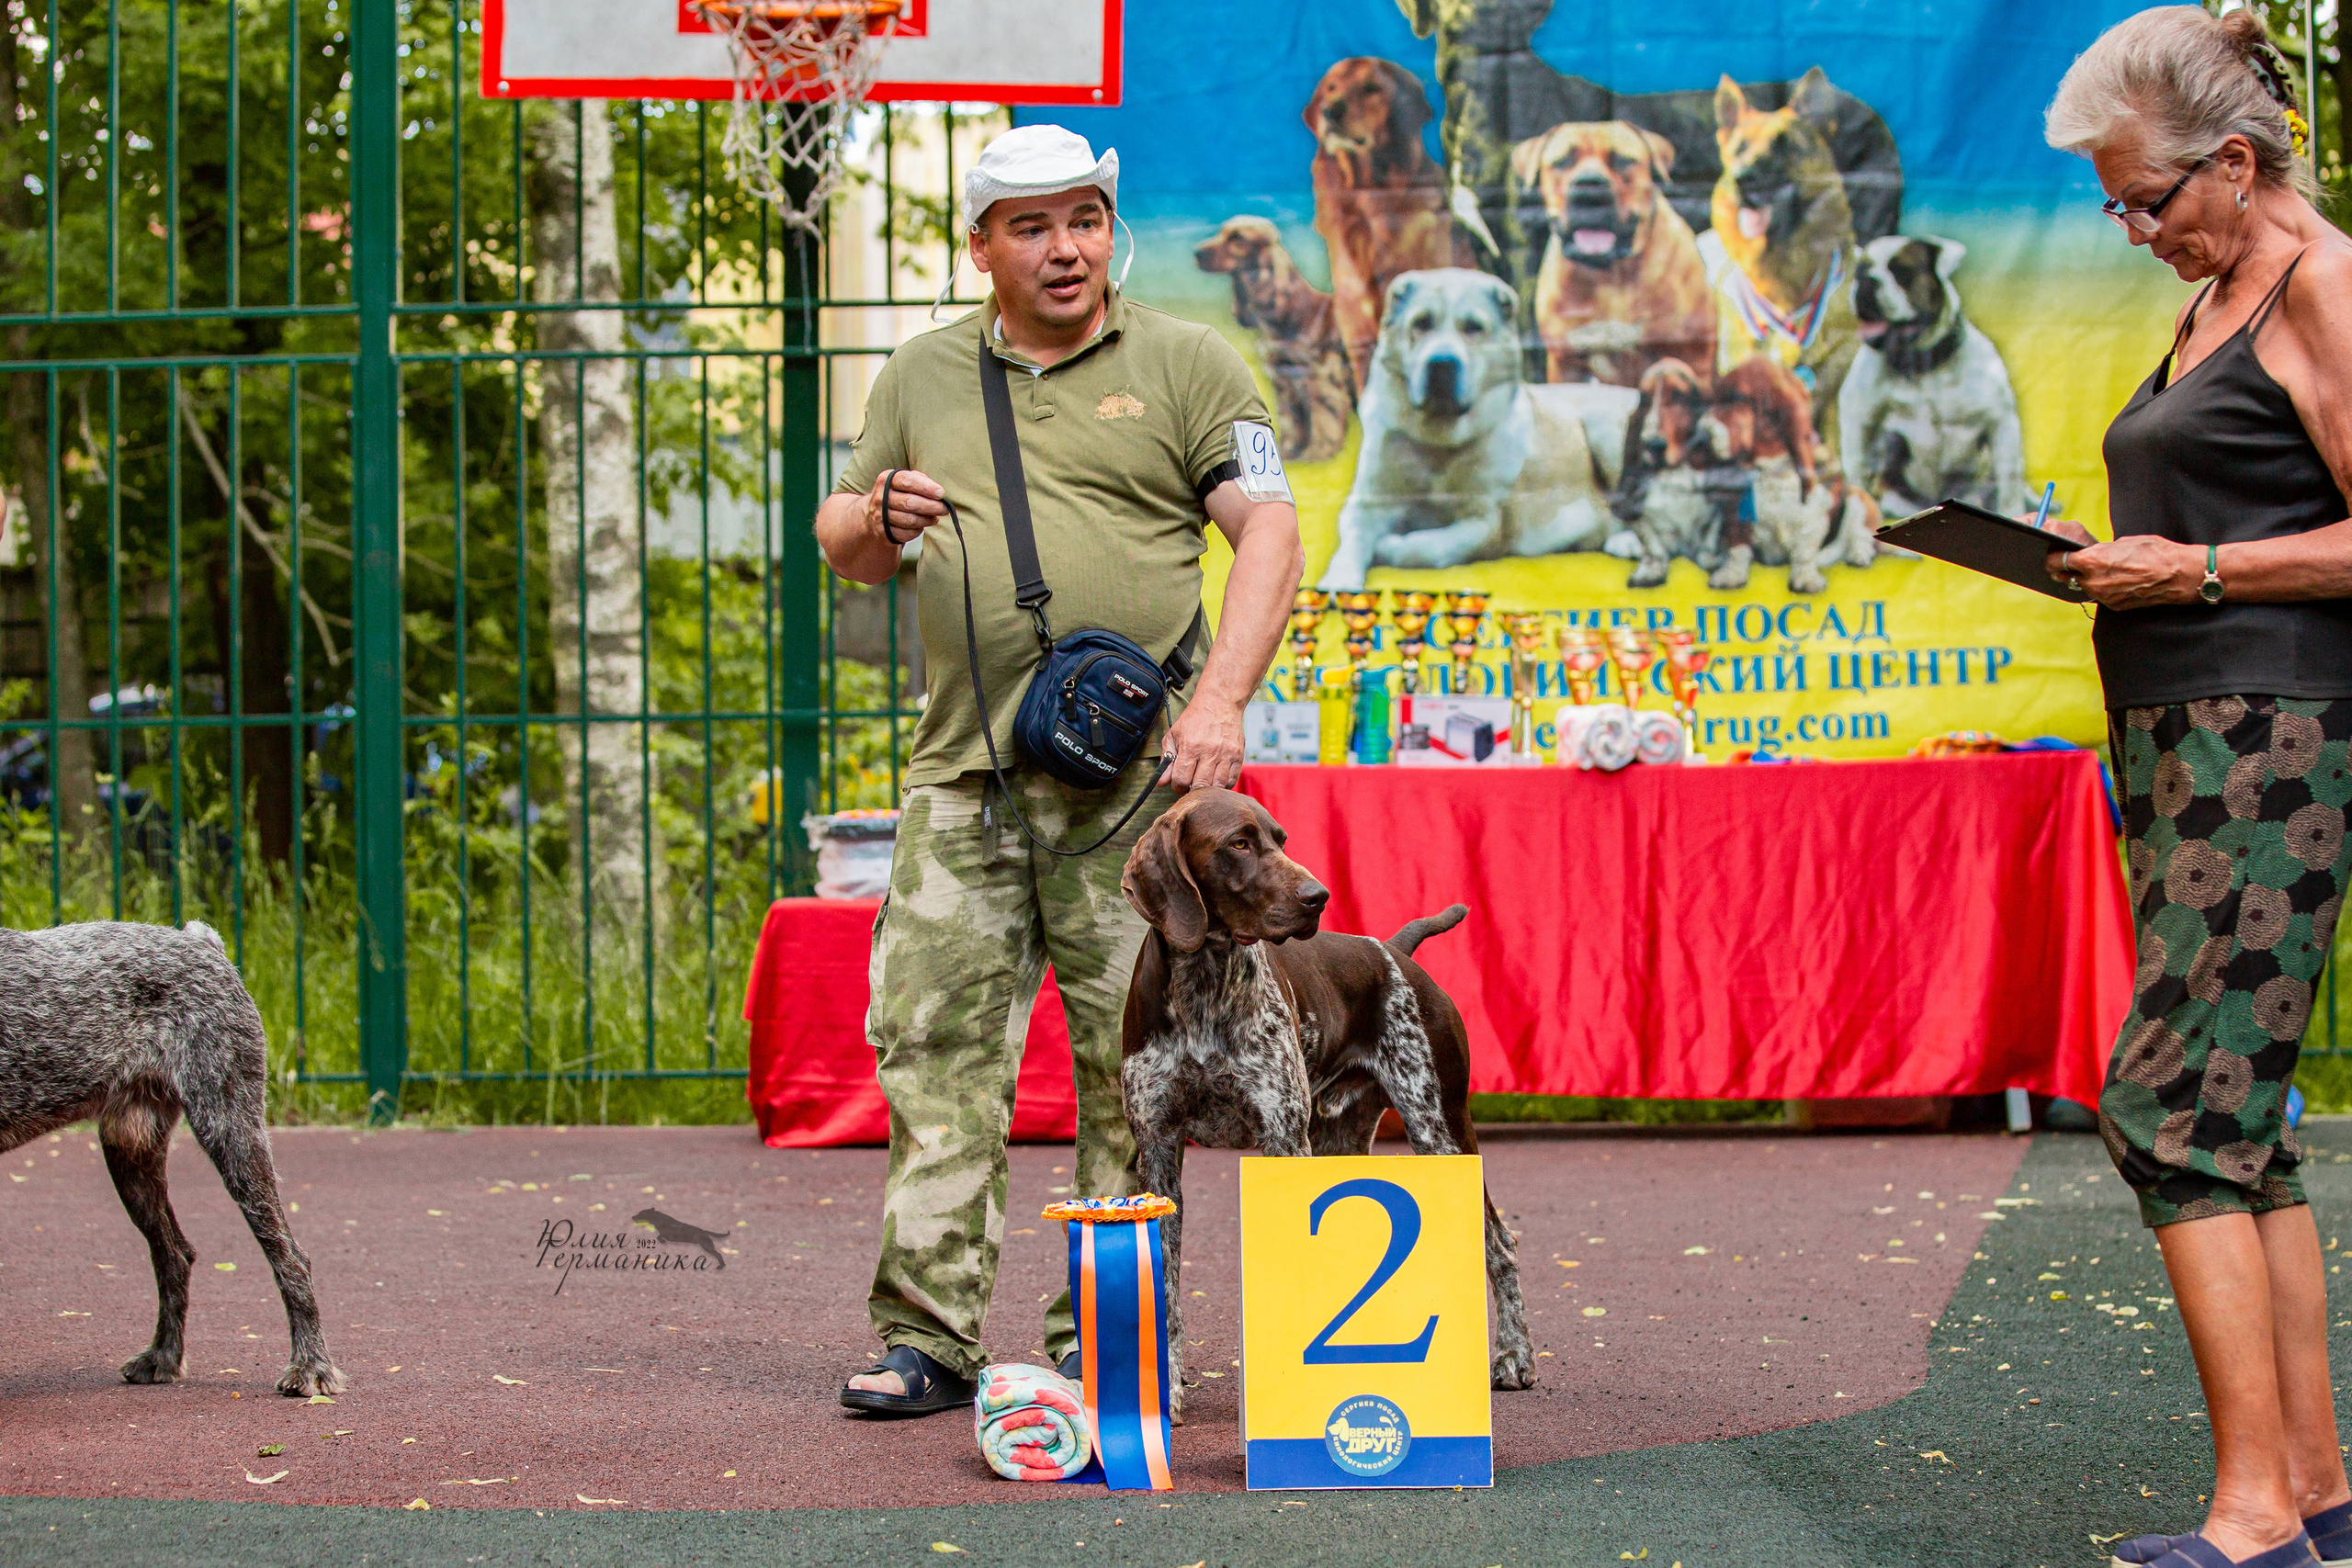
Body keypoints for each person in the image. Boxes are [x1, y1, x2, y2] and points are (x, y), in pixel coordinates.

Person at [812, 125, 1304, 1416]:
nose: (1065, 246)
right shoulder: (922, 371)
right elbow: (841, 539)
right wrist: (877, 519)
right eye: (1030, 226)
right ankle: (927, 1339)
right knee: (935, 1055)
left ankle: (1108, 1341)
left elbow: (1270, 530)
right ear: (981, 246)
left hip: (1137, 805)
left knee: (1126, 1066)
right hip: (960, 782)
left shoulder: (1191, 362)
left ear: (1109, 228)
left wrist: (1225, 701)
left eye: (1083, 218)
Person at [2041, 9, 2352, 1566]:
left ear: (2235, 162)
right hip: (2182, 738)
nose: (2134, 229)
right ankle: (2312, 1490)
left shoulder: (2322, 284)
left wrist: (2204, 564)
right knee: (2243, 1123)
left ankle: (2251, 1523)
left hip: (2273, 741)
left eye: (2147, 200)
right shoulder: (2225, 291)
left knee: (2169, 1109)